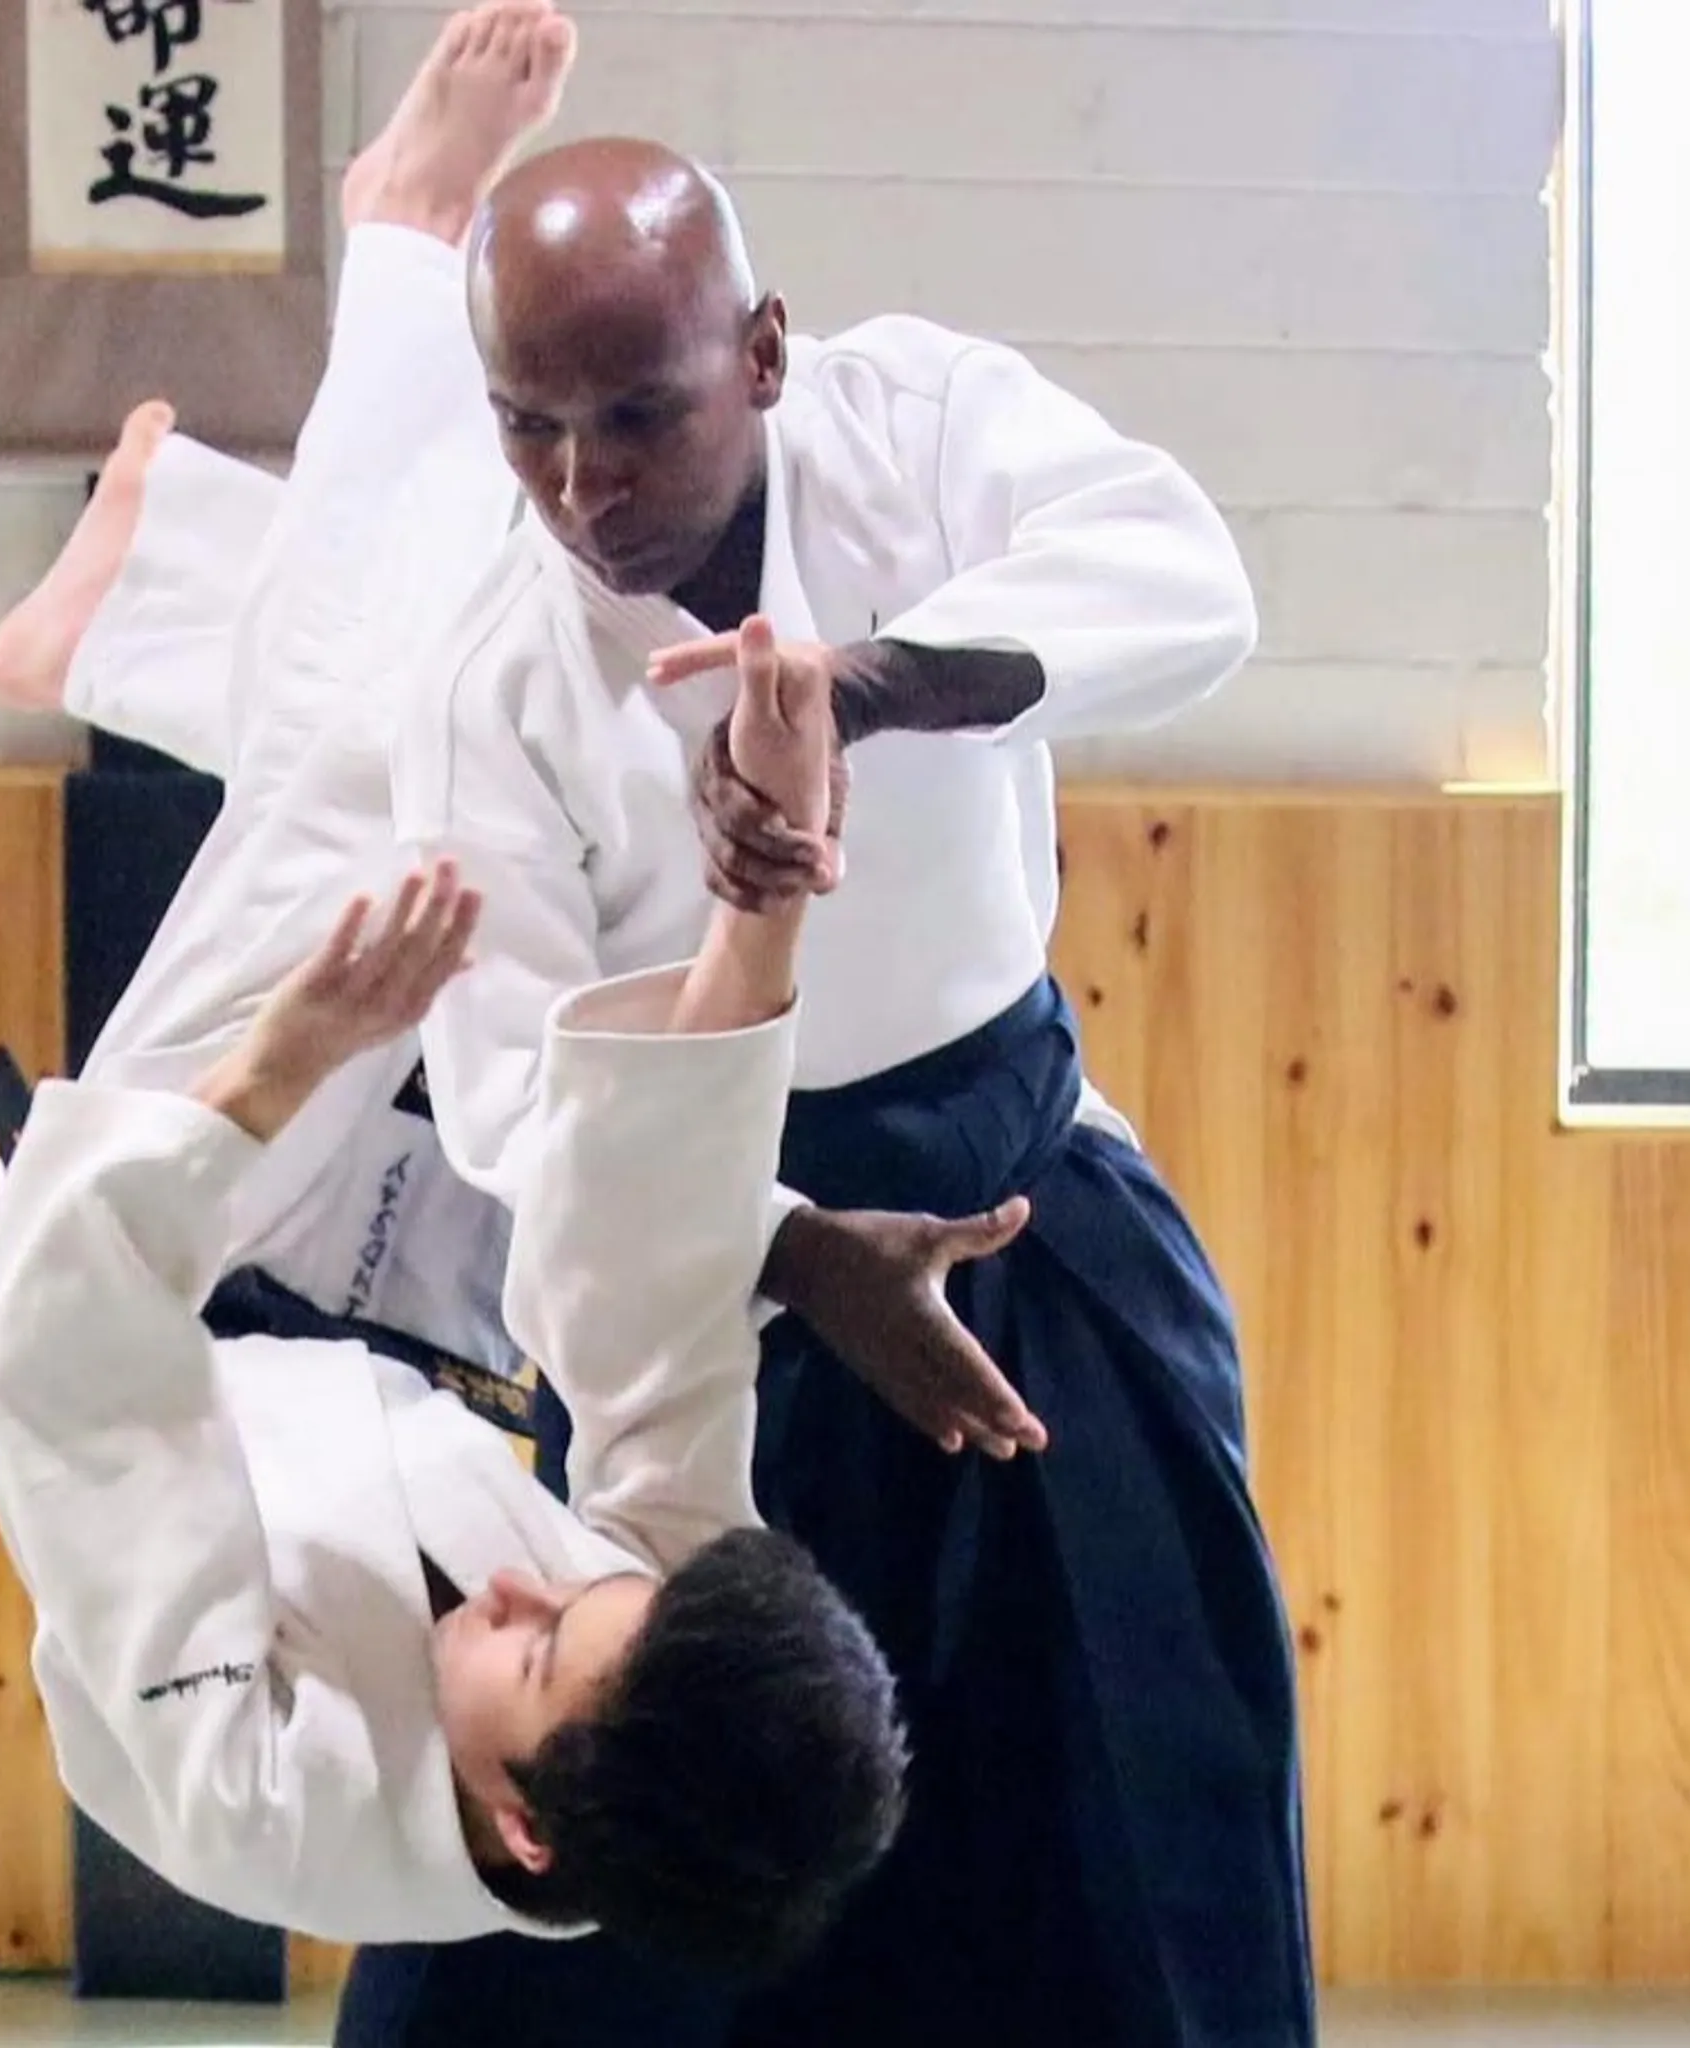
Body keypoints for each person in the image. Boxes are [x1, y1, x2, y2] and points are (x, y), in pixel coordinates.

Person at [356, 142, 1315, 2048]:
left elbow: (1188, 582)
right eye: (528, 427)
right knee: (615, 1914)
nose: (584, 484)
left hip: (1022, 1221)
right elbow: (507, 1108)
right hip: (695, 1318)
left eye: (637, 415)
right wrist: (791, 1252)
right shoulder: (486, 671)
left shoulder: (921, 423)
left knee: (1140, 1842)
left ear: (766, 353)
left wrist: (868, 686)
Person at [0, 7, 1042, 1467]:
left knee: (363, 785)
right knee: (375, 806)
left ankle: (165, 581)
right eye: (534, 426)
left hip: (322, 1284)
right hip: (310, 1257)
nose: (582, 477)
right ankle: (178, 562)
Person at [0, 595, 913, 1971]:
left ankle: (130, 608)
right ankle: (124, 618)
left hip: (143, 1261)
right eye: (575, 1602)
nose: (532, 1590)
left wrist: (276, 1073)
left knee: (352, 799)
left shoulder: (253, 1794)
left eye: (530, 1655)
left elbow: (73, 1397)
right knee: (500, 796)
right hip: (390, 1313)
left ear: (524, 1829)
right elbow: (665, 1304)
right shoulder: (657, 1671)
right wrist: (762, 907)